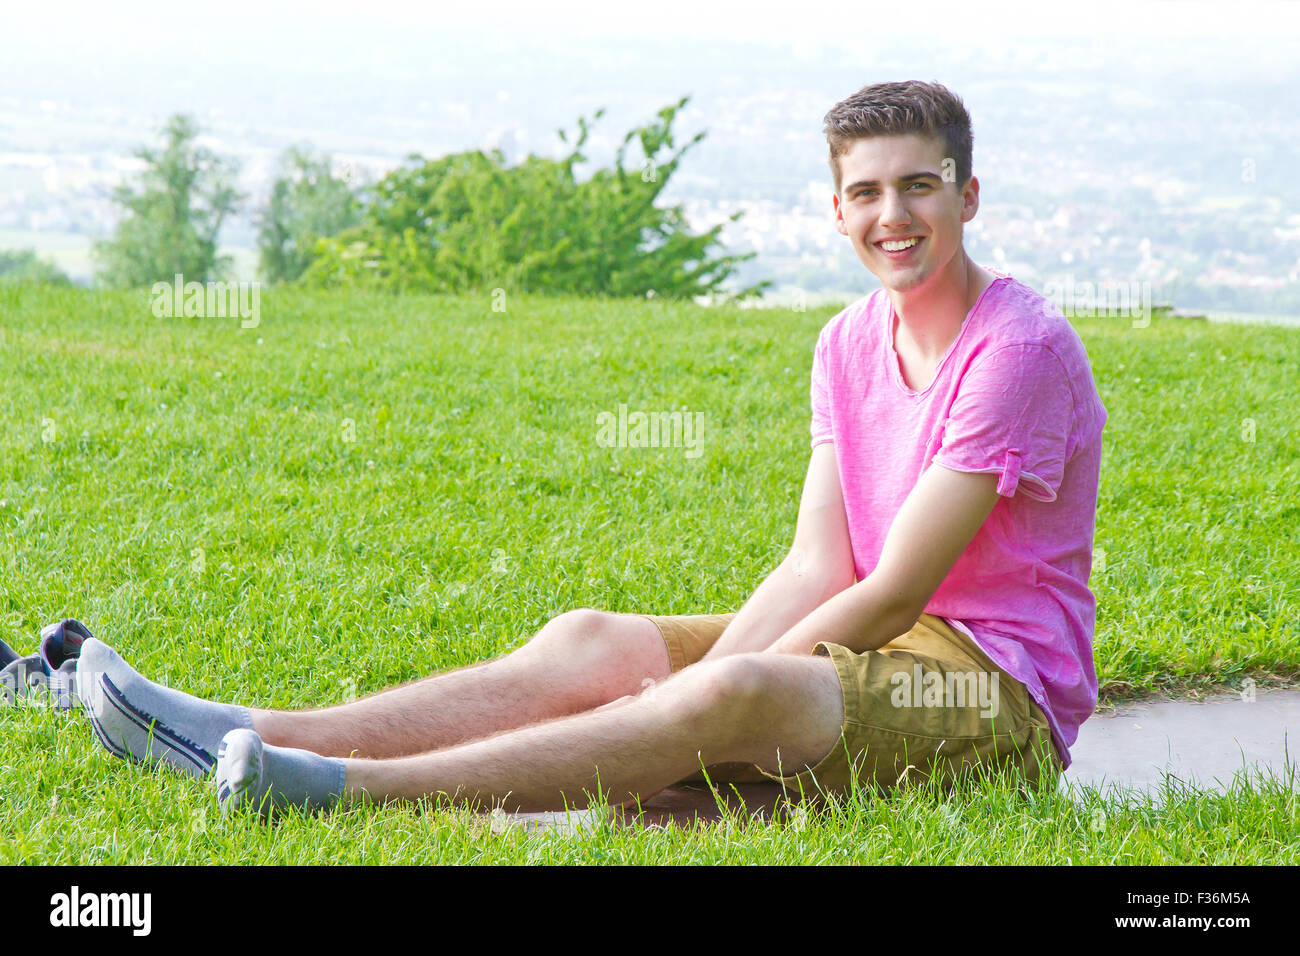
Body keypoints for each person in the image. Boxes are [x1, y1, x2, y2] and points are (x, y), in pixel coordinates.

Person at [75, 79, 1107, 818]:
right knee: (591, 642)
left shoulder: (1015, 350)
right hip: (874, 654)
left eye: (920, 186)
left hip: (986, 689)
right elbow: (816, 564)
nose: (895, 214)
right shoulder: (845, 340)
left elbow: (890, 596)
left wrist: (706, 690)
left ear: (966, 198)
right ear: (837, 209)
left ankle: (334, 789)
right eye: (869, 193)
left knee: (725, 692)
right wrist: (669, 691)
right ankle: (247, 725)